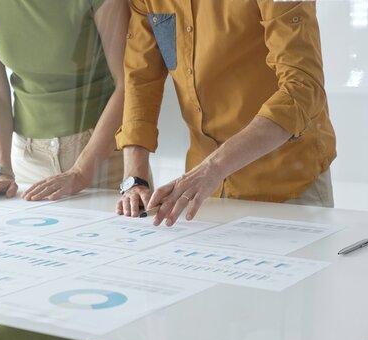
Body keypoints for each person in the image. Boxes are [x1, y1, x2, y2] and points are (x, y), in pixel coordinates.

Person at [116, 0, 337, 226]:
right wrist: (135, 179)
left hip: (287, 185)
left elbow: (302, 89)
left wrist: (214, 167)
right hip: (203, 192)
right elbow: (140, 82)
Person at [0, 0, 129, 203]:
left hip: (103, 156)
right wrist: (1, 169)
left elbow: (129, 85)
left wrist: (81, 172)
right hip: (27, 158)